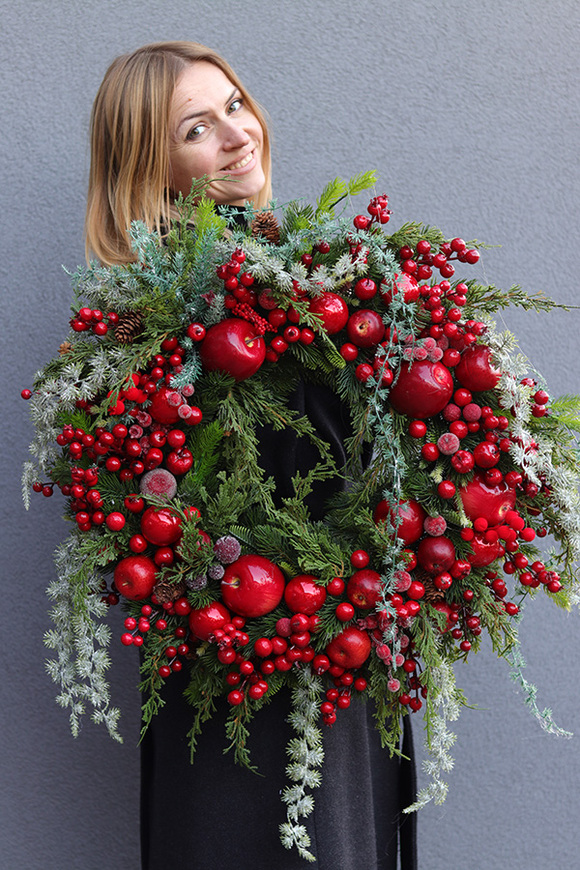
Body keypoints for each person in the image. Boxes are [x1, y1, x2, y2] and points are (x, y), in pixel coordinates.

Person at [86, 41, 417, 870]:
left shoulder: (324, 287)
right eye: (199, 128)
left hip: (346, 655)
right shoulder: (161, 330)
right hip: (238, 675)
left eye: (235, 106)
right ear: (150, 169)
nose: (240, 136)